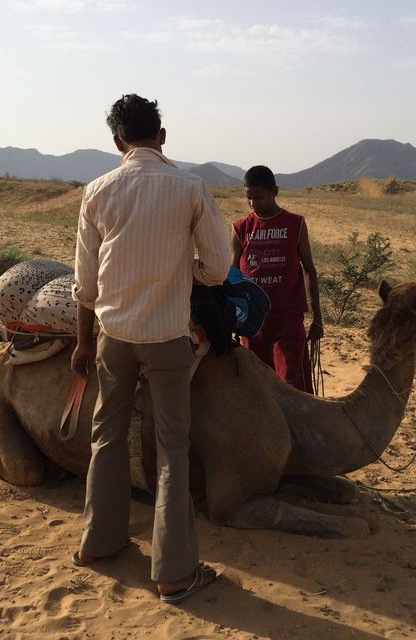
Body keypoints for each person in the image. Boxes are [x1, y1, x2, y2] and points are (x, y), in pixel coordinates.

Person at [71, 94, 230, 603]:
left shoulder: (97, 190)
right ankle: (174, 573)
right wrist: (189, 273)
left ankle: (99, 542)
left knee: (106, 436)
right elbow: (219, 268)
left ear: (117, 141)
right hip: (166, 338)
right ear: (162, 136)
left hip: (112, 338)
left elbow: (84, 283)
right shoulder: (190, 187)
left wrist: (82, 340)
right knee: (171, 447)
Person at [231, 165, 323, 393]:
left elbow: (309, 269)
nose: (253, 204)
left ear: (275, 192)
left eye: (258, 198)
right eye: (248, 198)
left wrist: (318, 317)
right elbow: (233, 276)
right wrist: (231, 318)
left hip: (287, 320)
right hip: (253, 323)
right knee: (257, 388)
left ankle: (296, 430)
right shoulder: (240, 228)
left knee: (292, 386)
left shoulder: (295, 224)